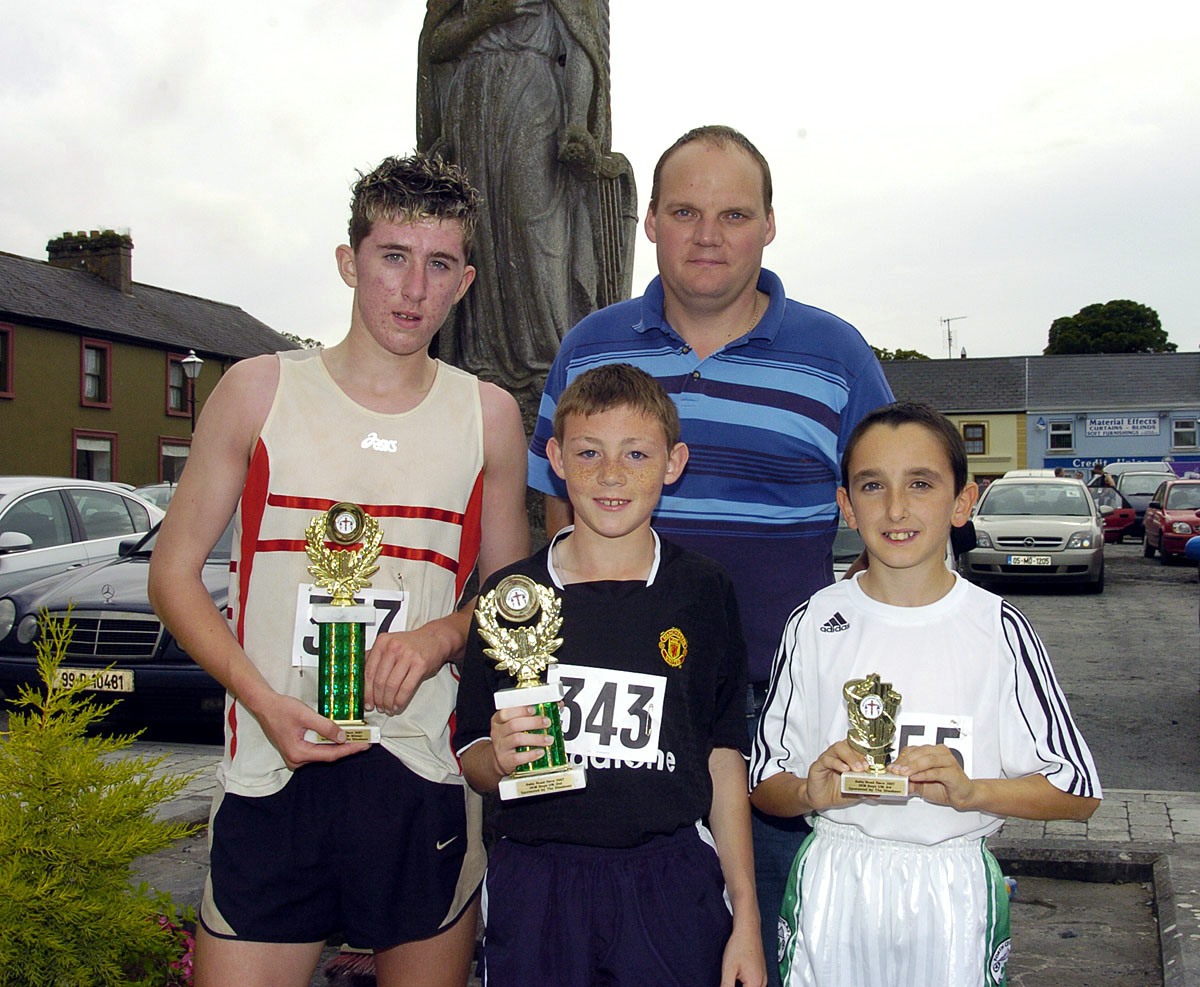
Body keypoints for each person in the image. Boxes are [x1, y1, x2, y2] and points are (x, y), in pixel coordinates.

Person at [147, 154, 530, 987]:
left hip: (419, 776)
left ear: (464, 282)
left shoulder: (488, 416)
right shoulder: (257, 391)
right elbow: (172, 577)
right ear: (348, 261)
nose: (413, 289)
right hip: (270, 767)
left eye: (438, 266)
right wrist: (264, 702)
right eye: (393, 256)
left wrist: (440, 634)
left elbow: (517, 601)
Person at [526, 123, 894, 982]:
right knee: (623, 940)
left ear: (769, 226)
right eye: (685, 210)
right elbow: (557, 506)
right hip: (611, 703)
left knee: (768, 939)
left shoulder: (836, 355)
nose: (707, 235)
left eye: (733, 213)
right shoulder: (590, 345)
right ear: (650, 221)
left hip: (778, 705)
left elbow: (891, 500)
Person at [749, 402, 1101, 986]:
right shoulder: (814, 622)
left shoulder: (998, 628)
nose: (896, 507)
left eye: (920, 483)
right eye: (872, 485)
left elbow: (1077, 793)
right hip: (837, 879)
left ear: (963, 502)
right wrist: (810, 792)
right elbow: (765, 786)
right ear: (846, 507)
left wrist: (971, 792)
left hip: (952, 887)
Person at [456, 364, 766, 987]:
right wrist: (501, 757)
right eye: (589, 452)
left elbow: (724, 759)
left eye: (636, 453)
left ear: (673, 462)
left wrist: (748, 920)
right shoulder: (508, 595)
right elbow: (471, 757)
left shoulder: (702, 592)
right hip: (537, 878)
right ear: (556, 458)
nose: (612, 474)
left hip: (670, 877)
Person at [417, 0, 636, 398]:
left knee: (535, 229)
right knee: (478, 236)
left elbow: (581, 47)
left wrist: (576, 124)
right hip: (469, 102)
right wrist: (486, 16)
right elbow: (436, 45)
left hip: (535, 97)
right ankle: (480, 362)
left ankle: (550, 360)